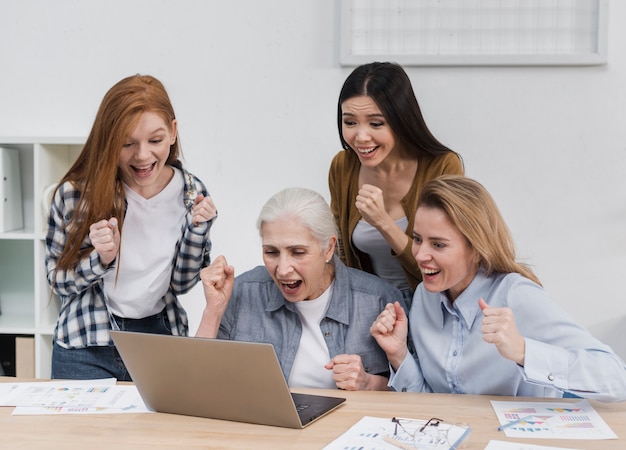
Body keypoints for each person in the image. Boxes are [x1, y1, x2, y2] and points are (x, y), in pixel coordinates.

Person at [370, 175, 626, 402]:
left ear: (476, 249)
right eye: (417, 239)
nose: (420, 255)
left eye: (438, 245)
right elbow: (436, 403)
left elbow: (617, 379)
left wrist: (523, 351)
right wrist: (399, 354)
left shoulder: (516, 295)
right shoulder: (425, 298)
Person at [46, 74, 217, 381]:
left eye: (155, 140)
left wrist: (198, 231)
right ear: (109, 139)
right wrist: (102, 258)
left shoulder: (192, 192)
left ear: (173, 132)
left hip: (159, 339)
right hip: (86, 345)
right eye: (127, 143)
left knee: (161, 431)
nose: (142, 156)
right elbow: (58, 281)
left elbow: (180, 285)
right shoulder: (75, 195)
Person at [196, 187, 405, 391]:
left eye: (297, 252)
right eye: (271, 252)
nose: (283, 270)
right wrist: (213, 310)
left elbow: (415, 390)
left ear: (329, 248)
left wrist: (369, 383)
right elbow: (195, 385)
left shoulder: (377, 299)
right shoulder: (243, 291)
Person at [328, 61, 463, 308]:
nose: (361, 136)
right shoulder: (343, 166)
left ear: (401, 119)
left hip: (433, 305)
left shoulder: (442, 167)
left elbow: (445, 262)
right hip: (367, 304)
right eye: (350, 122)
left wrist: (383, 223)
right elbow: (342, 255)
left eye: (376, 123)